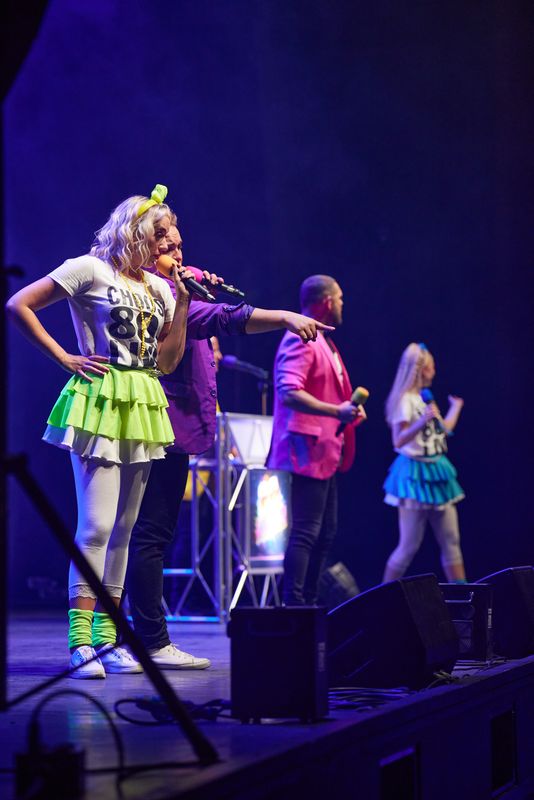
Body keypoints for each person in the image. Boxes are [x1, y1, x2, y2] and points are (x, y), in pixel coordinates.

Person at [6, 185, 194, 679]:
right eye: (161, 237)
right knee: (96, 527)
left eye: (172, 241)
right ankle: (80, 643)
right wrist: (65, 357)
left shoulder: (158, 290)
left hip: (145, 402)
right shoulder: (91, 268)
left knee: (125, 531)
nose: (168, 248)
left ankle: (109, 640)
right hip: (102, 398)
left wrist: (183, 299)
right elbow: (19, 304)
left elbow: (168, 361)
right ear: (135, 232)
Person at [125, 225, 334, 668]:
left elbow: (210, 322)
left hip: (174, 428)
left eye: (180, 244)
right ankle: (151, 640)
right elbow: (224, 318)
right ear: (143, 249)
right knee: (149, 534)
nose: (177, 251)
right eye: (166, 245)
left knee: (151, 534)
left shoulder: (178, 291)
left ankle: (142, 636)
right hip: (159, 424)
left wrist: (198, 293)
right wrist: (284, 317)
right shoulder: (159, 294)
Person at [267, 274, 366, 606]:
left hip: (325, 451)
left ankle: (308, 603)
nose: (342, 304)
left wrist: (347, 411)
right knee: (306, 533)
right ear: (326, 301)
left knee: (325, 534)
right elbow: (289, 390)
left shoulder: (324, 340)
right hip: (305, 450)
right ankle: (294, 605)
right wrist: (336, 411)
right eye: (339, 298)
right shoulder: (301, 337)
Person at [382, 342, 466, 583]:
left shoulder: (425, 399)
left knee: (451, 541)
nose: (434, 372)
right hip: (414, 474)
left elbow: (444, 429)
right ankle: (381, 599)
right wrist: (421, 423)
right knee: (408, 545)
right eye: (430, 367)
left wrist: (455, 408)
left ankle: (465, 601)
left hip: (438, 471)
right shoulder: (405, 401)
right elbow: (398, 441)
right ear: (419, 369)